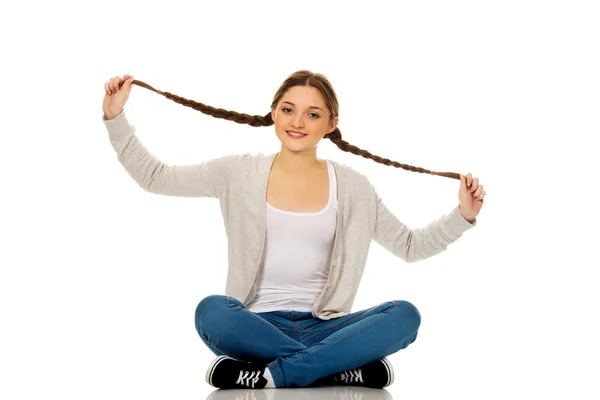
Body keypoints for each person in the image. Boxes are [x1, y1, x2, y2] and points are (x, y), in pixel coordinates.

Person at [101, 71, 485, 389]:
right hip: (256, 325)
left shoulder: (354, 188)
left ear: (332, 124)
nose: (297, 123)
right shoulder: (237, 173)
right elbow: (156, 177)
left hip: (329, 327)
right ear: (274, 113)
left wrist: (462, 216)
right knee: (211, 312)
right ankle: (333, 369)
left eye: (313, 114)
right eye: (288, 110)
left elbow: (410, 246)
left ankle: (276, 373)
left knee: (405, 316)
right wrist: (116, 119)